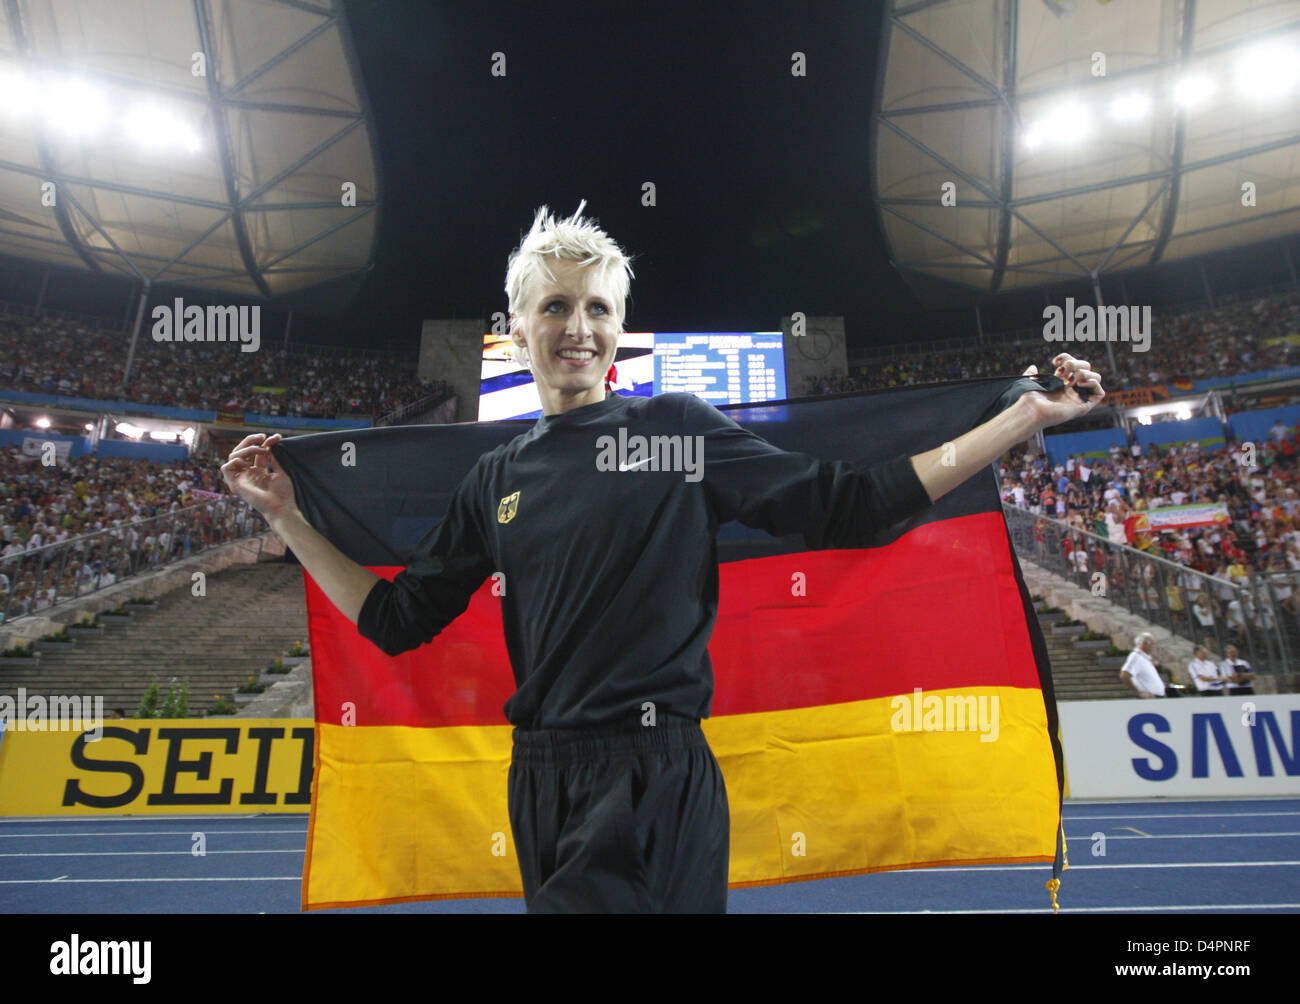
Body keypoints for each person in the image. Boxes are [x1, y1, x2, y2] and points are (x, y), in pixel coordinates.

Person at [220, 202, 1107, 914]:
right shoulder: (493, 478)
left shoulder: (674, 430)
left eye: (598, 308)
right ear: (517, 325)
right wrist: (291, 517)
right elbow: (396, 620)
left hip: (653, 774)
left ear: (622, 328)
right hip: (539, 780)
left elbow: (853, 506)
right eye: (556, 306)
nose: (578, 327)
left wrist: (1026, 417)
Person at [1120, 632, 1166, 699]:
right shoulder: (1136, 656)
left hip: (1157, 697)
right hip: (1150, 699)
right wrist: (1139, 692)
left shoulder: (1145, 658)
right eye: (1152, 643)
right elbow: (1124, 675)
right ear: (1144, 643)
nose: (1153, 646)